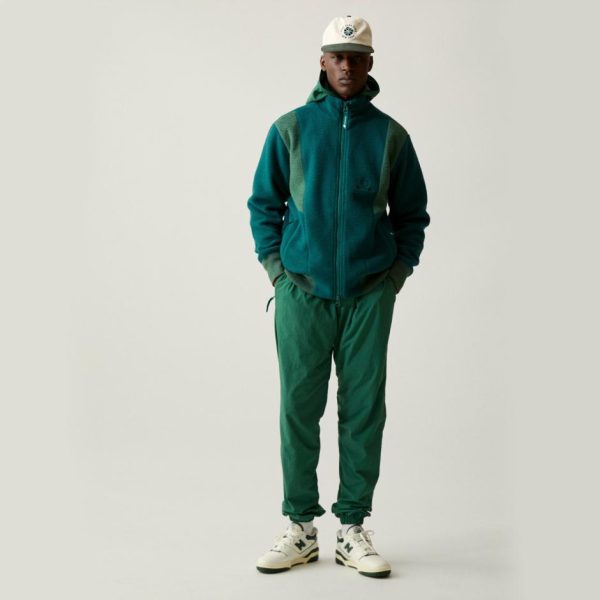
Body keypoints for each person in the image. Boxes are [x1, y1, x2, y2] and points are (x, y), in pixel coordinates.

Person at [247, 15, 430, 578]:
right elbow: (263, 205)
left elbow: (413, 215)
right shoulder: (290, 129)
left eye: (356, 57)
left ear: (370, 63)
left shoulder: (391, 136)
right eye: (337, 57)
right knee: (299, 409)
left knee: (364, 410)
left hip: (369, 295)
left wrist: (394, 277)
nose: (346, 66)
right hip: (301, 293)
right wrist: (278, 273)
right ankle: (300, 527)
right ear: (322, 62)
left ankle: (352, 527)